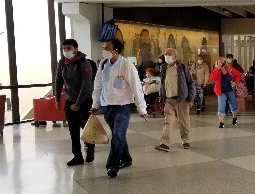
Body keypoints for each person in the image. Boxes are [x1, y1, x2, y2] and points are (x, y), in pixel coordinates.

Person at [91, 38, 148, 178]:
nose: (103, 51)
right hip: (107, 107)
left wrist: (142, 109)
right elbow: (98, 86)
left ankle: (112, 166)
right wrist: (95, 105)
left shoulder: (127, 66)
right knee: (119, 135)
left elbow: (137, 88)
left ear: (115, 51)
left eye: (106, 48)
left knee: (117, 135)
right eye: (103, 48)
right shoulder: (103, 64)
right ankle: (126, 159)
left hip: (123, 107)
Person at [54, 38, 95, 166]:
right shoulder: (62, 62)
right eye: (64, 48)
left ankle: (90, 147)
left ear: (75, 49)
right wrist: (57, 99)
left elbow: (86, 85)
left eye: (69, 48)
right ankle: (77, 156)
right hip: (70, 100)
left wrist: (78, 104)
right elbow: (58, 80)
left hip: (84, 100)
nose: (66, 51)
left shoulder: (84, 63)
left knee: (85, 126)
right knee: (73, 129)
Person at [154, 48, 196, 152]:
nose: (167, 56)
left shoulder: (182, 68)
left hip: (182, 99)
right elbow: (162, 84)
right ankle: (164, 143)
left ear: (175, 57)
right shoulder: (163, 68)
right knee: (168, 122)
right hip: (169, 100)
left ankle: (185, 140)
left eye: (169, 54)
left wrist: (191, 98)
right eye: (165, 54)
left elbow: (190, 83)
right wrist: (162, 97)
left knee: (184, 122)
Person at [209, 57, 241, 128]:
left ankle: (234, 118)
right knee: (221, 106)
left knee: (233, 105)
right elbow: (213, 78)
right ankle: (221, 122)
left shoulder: (229, 69)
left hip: (230, 90)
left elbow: (238, 75)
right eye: (219, 62)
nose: (221, 64)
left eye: (222, 62)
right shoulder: (216, 70)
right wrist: (217, 68)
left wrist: (235, 82)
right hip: (221, 91)